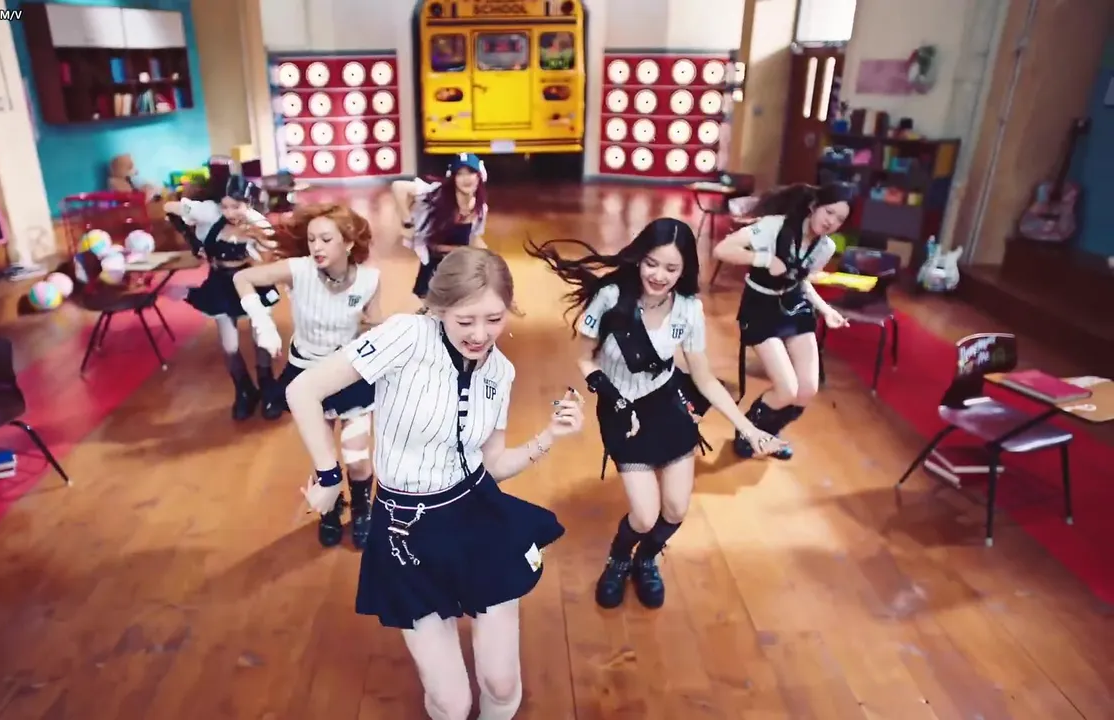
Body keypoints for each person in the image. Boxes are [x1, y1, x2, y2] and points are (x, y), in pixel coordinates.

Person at [285, 247, 583, 720]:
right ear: (440, 307)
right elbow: (303, 389)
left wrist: (549, 437)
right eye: (466, 320)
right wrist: (327, 476)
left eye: (494, 319)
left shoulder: (500, 371)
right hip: (406, 530)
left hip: (477, 514)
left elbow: (493, 464)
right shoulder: (405, 335)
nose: (480, 334)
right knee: (451, 701)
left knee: (501, 683)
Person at [527, 217, 784, 610]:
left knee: (676, 508)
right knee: (644, 516)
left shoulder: (689, 310)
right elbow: (584, 357)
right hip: (619, 407)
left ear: (684, 271)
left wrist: (748, 428)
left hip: (665, 404)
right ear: (639, 258)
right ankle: (618, 559)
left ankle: (646, 559)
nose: (659, 275)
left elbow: (704, 378)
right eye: (651, 263)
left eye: (671, 268)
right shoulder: (612, 297)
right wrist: (613, 398)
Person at [232, 203, 382, 550]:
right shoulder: (299, 270)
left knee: (358, 459)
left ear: (348, 243)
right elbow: (242, 279)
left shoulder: (370, 279)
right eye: (312, 239)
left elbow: (373, 325)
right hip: (307, 375)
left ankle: (362, 508)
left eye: (326, 239)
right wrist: (262, 321)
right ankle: (330, 507)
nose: (316, 246)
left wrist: (381, 334)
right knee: (322, 456)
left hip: (349, 373)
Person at [712, 182, 853, 460]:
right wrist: (764, 259)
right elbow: (723, 250)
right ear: (813, 206)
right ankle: (748, 433)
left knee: (807, 389)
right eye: (829, 212)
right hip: (760, 308)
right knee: (787, 389)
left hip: (794, 307)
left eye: (839, 219)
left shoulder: (825, 247)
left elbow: (802, 280)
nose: (831, 222)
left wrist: (825, 310)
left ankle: (769, 435)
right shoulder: (774, 226)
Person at [164, 175, 284, 421]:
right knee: (229, 345)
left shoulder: (258, 225)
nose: (229, 212)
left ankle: (267, 386)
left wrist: (256, 246)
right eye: (225, 206)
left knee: (260, 336)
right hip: (220, 282)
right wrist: (191, 238)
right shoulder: (210, 217)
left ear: (249, 203)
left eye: (236, 206)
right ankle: (244, 389)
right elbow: (170, 207)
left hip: (251, 280)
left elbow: (268, 261)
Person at [391, 153, 489, 301]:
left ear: (480, 176)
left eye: (471, 172)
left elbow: (474, 239)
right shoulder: (437, 195)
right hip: (435, 267)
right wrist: (407, 221)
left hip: (460, 268)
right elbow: (398, 186)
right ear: (453, 178)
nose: (466, 178)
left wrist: (490, 261)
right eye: (460, 174)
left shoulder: (480, 209)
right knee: (427, 305)